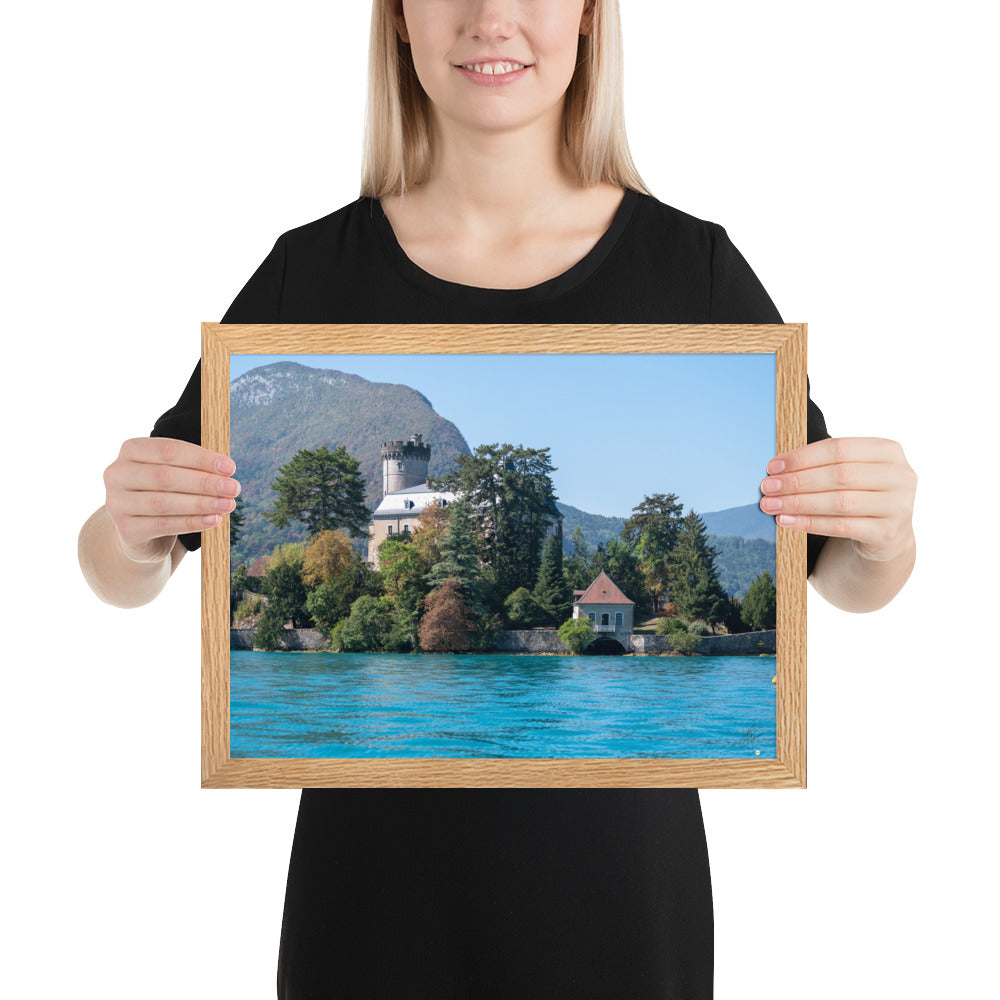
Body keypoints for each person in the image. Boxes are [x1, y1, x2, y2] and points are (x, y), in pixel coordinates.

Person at [78, 1, 916, 996]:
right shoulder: (311, 269)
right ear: (396, 18)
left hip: (618, 902)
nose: (491, 18)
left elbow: (846, 579)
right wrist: (131, 530)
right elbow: (119, 568)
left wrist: (885, 530)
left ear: (592, 17)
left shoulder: (691, 268)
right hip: (369, 901)